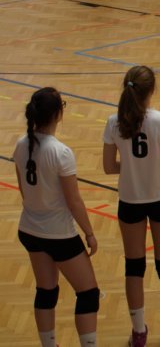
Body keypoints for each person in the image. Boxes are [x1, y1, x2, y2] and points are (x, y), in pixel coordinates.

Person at [102, 66, 160, 347]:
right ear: (152, 90)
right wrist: (158, 168)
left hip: (130, 201)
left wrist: (131, 168)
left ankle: (139, 333)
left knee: (134, 267)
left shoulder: (114, 122)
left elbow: (108, 166)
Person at [14, 87, 100, 347]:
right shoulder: (61, 152)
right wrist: (89, 233)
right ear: (57, 114)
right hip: (59, 235)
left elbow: (23, 190)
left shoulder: (21, 144)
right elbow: (74, 201)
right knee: (88, 293)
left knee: (46, 291)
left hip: (30, 229)